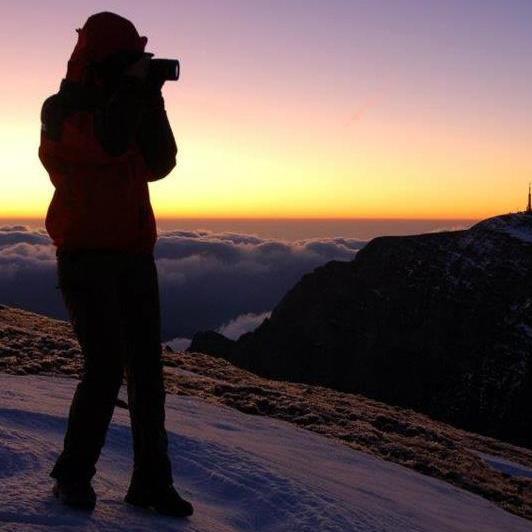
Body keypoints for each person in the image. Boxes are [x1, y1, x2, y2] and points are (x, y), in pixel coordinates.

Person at [38, 12, 193, 517]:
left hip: (134, 254)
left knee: (147, 373)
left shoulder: (128, 103)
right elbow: (105, 142)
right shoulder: (61, 109)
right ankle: (72, 476)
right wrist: (131, 92)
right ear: (101, 61)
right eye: (129, 60)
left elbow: (161, 163)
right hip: (84, 255)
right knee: (105, 367)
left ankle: (152, 483)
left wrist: (153, 97)